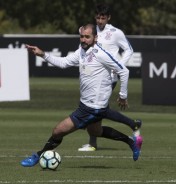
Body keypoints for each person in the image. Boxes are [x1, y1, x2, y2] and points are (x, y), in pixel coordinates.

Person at [20, 24, 143, 167]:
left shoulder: (100, 54)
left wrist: (123, 95)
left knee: (58, 131)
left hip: (92, 108)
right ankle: (131, 141)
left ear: (95, 38)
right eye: (82, 36)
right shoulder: (81, 52)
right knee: (95, 131)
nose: (83, 39)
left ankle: (37, 156)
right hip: (87, 104)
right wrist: (43, 54)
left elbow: (124, 71)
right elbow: (64, 62)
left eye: (87, 37)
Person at [78, 3, 134, 151]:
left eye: (103, 18)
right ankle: (132, 124)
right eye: (98, 17)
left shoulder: (116, 33)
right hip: (95, 75)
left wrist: (118, 66)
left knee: (96, 107)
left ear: (108, 18)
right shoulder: (91, 31)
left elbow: (129, 50)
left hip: (110, 77)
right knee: (96, 108)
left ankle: (92, 142)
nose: (100, 21)